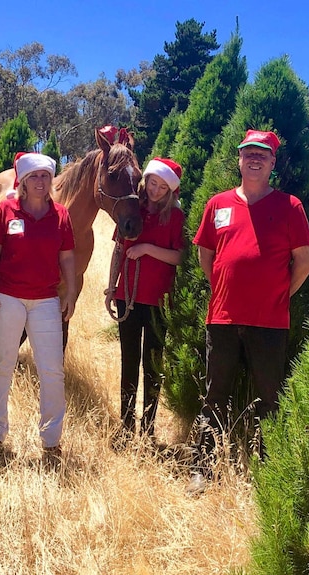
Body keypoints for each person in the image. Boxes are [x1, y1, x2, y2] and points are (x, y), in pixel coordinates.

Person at [188, 129, 309, 494]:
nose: (254, 159)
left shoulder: (290, 207)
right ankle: (203, 469)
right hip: (223, 318)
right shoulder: (218, 204)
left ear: (273, 162)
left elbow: (304, 261)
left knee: (269, 399)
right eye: (248, 153)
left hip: (269, 323)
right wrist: (224, 289)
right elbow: (205, 255)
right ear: (239, 160)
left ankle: (267, 476)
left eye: (262, 154)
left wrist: (280, 294)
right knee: (215, 396)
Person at [0, 152, 76, 464]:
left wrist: (71, 292)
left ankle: (51, 442)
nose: (40, 182)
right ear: (22, 181)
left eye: (46, 176)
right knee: (1, 366)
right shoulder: (7, 210)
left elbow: (67, 258)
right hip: (7, 297)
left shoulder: (61, 215)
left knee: (52, 371)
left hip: (46, 300)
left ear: (52, 181)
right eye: (34, 176)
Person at [111, 157, 186, 444]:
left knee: (152, 364)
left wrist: (146, 249)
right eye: (152, 183)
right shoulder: (135, 211)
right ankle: (126, 424)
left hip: (157, 300)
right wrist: (110, 287)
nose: (155, 190)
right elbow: (119, 250)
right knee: (128, 360)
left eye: (162, 186)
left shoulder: (176, 218)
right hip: (127, 296)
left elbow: (179, 256)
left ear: (171, 189)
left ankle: (148, 427)